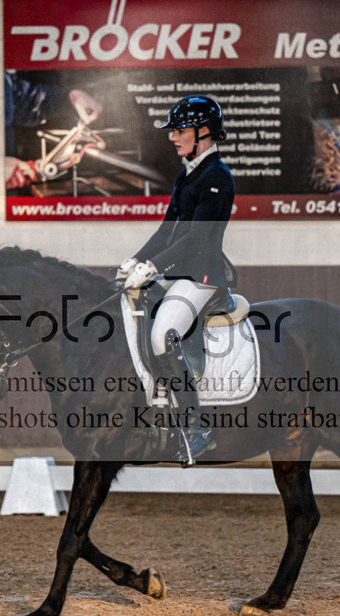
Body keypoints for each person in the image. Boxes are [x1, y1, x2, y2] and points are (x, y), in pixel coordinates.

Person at [116, 94, 235, 465]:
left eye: (180, 131)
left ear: (203, 132)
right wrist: (136, 259)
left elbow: (197, 239)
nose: (173, 137)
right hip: (179, 273)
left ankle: (197, 430)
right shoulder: (189, 173)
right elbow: (168, 230)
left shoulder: (217, 176)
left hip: (201, 278)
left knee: (161, 335)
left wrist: (152, 268)